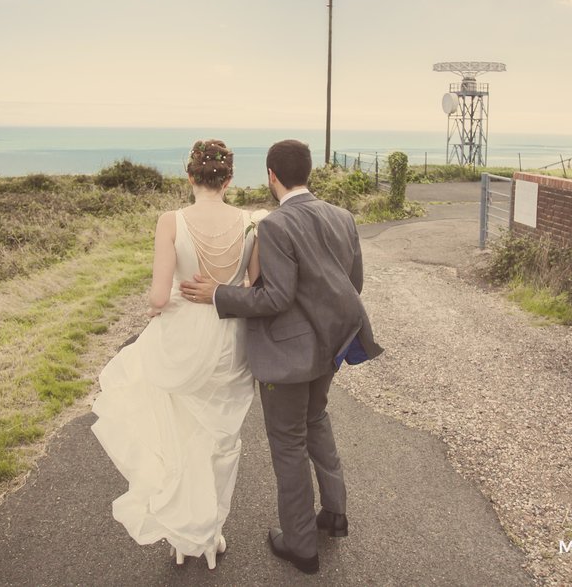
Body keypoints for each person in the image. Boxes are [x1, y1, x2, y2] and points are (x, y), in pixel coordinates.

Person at [179, 139, 383, 575]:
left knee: (288, 445)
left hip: (287, 362)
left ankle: (300, 545)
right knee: (317, 423)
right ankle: (334, 513)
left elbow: (274, 298)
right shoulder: (343, 217)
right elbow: (354, 283)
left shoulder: (274, 226)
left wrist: (217, 294)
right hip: (330, 351)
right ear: (307, 172)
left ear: (272, 176)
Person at [91, 139, 259, 569]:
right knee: (221, 441)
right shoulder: (252, 223)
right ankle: (211, 532)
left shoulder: (170, 221)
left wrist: (155, 304)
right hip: (229, 339)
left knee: (180, 438)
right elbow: (250, 290)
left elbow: (160, 297)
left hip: (182, 341)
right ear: (229, 179)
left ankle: (182, 535)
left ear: (190, 177)